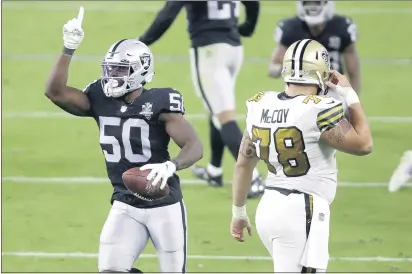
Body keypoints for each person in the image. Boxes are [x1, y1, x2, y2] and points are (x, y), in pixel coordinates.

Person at [45, 7, 203, 273]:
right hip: (124, 201)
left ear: (140, 71)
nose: (112, 76)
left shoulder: (160, 102)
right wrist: (68, 48)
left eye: (120, 70)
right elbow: (55, 92)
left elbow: (194, 146)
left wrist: (171, 165)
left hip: (163, 203)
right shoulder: (100, 98)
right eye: (110, 69)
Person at [230, 39, 373, 272]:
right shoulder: (318, 109)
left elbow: (243, 164)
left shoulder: (260, 104)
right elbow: (364, 144)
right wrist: (349, 93)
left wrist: (238, 211)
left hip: (268, 208)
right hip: (301, 210)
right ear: (320, 74)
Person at [138, 1, 264, 198]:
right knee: (215, 108)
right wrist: (248, 25)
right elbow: (253, 3)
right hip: (233, 49)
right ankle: (214, 170)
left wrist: (142, 42)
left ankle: (253, 177)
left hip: (209, 51)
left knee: (224, 117)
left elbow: (168, 14)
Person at [269, 0, 361, 93]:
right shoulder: (291, 29)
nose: (312, 7)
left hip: (333, 91)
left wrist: (351, 100)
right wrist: (285, 69)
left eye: (317, 2)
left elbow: (353, 74)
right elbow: (274, 66)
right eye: (308, 3)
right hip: (300, 91)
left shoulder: (341, 27)